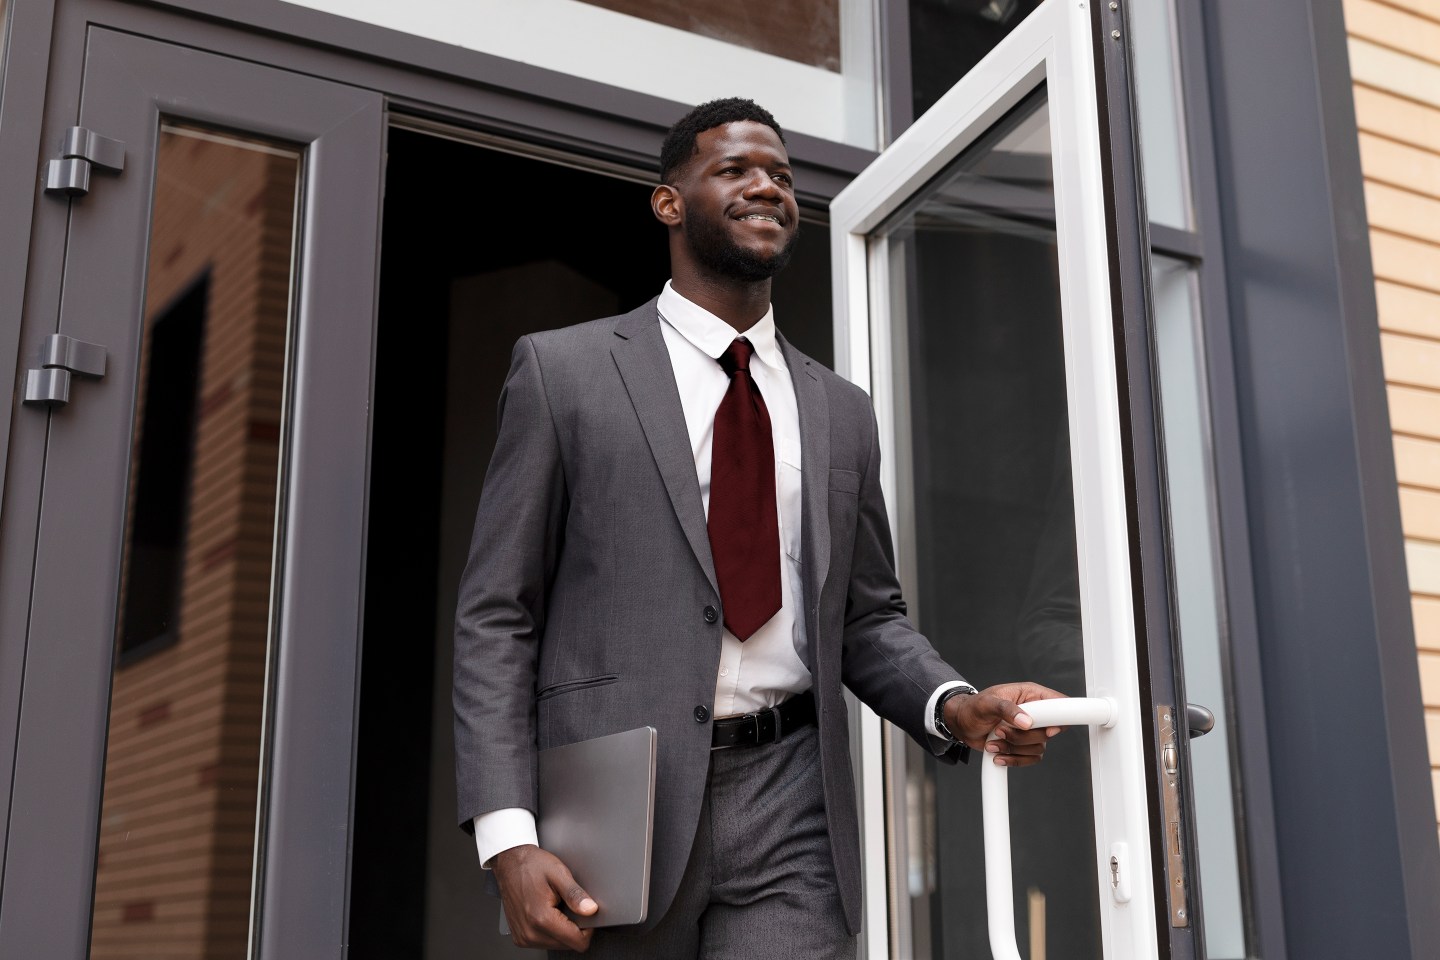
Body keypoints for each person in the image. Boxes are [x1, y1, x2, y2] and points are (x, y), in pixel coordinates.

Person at [453, 97, 1063, 959]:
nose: (767, 187)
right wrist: (507, 834)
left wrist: (955, 704)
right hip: (618, 803)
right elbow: (496, 615)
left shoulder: (841, 412)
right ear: (669, 202)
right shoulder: (566, 373)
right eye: (735, 169)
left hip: (793, 800)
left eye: (781, 174)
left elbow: (866, 618)